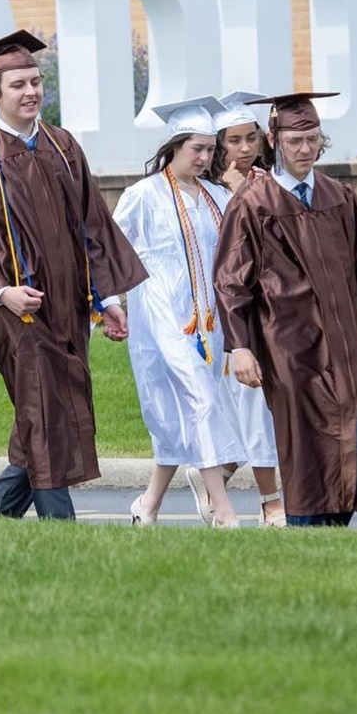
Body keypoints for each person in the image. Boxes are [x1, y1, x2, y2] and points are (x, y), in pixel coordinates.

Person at [0, 30, 147, 521]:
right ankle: (60, 522)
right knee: (42, 402)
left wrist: (106, 298)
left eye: (35, 81)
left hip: (69, 303)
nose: (31, 91)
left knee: (57, 400)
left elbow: (92, 222)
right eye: (18, 85)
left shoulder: (63, 145)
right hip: (18, 308)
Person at [213, 92, 357, 526]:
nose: (305, 150)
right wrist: (240, 347)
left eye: (313, 139)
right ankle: (307, 533)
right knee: (307, 448)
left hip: (347, 345)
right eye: (295, 140)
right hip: (290, 349)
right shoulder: (251, 205)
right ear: (274, 139)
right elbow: (231, 282)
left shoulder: (337, 196)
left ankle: (332, 531)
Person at [113, 96, 246, 528]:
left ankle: (147, 505)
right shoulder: (143, 195)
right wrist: (110, 304)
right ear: (174, 146)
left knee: (181, 415)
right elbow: (110, 251)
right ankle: (222, 508)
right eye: (198, 149)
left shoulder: (216, 196)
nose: (206, 158)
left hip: (210, 318)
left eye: (211, 149)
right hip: (161, 315)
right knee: (200, 400)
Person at [186, 91, 285, 527]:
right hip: (233, 315)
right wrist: (236, 193)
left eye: (250, 138)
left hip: (276, 312)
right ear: (217, 147)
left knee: (264, 410)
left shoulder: (272, 181)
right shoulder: (208, 193)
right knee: (254, 408)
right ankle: (271, 501)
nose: (244, 149)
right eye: (232, 141)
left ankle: (215, 476)